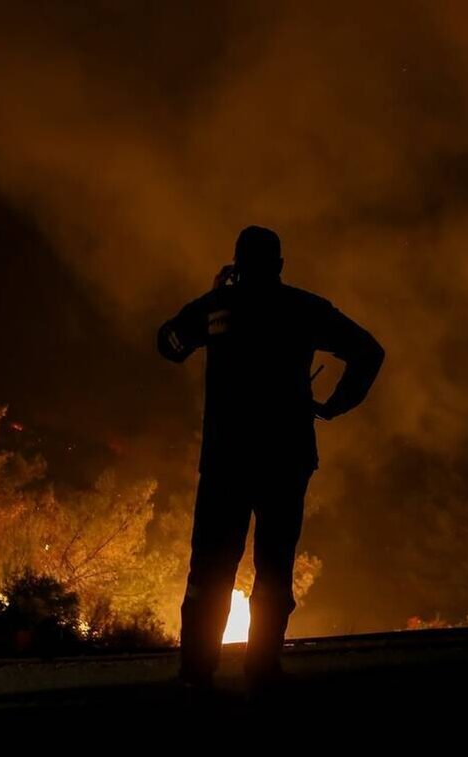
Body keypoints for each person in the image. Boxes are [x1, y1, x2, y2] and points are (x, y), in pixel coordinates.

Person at [157, 225, 384, 690]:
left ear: (237, 265)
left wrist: (213, 295)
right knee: (275, 567)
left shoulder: (218, 307)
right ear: (280, 265)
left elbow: (169, 344)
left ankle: (197, 673)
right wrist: (337, 403)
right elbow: (368, 351)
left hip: (227, 459)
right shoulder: (304, 308)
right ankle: (262, 669)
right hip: (286, 457)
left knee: (211, 570)